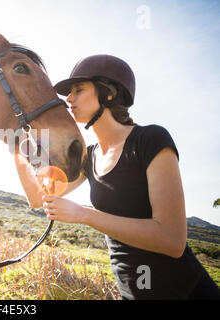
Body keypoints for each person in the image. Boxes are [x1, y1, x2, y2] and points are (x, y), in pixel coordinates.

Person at [14, 54, 220, 300]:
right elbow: (38, 198)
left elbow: (172, 240)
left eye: (78, 89)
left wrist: (85, 215)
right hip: (131, 293)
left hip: (186, 293)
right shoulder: (89, 157)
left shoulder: (150, 140)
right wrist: (16, 145)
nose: (68, 98)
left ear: (108, 93)